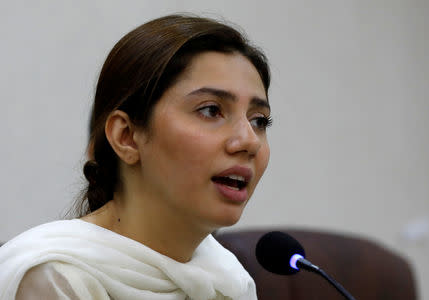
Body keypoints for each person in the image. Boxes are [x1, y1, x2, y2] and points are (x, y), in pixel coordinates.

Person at [0, 14, 271, 300]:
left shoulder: (229, 278)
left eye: (259, 121)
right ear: (126, 136)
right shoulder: (55, 277)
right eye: (210, 110)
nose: (249, 141)